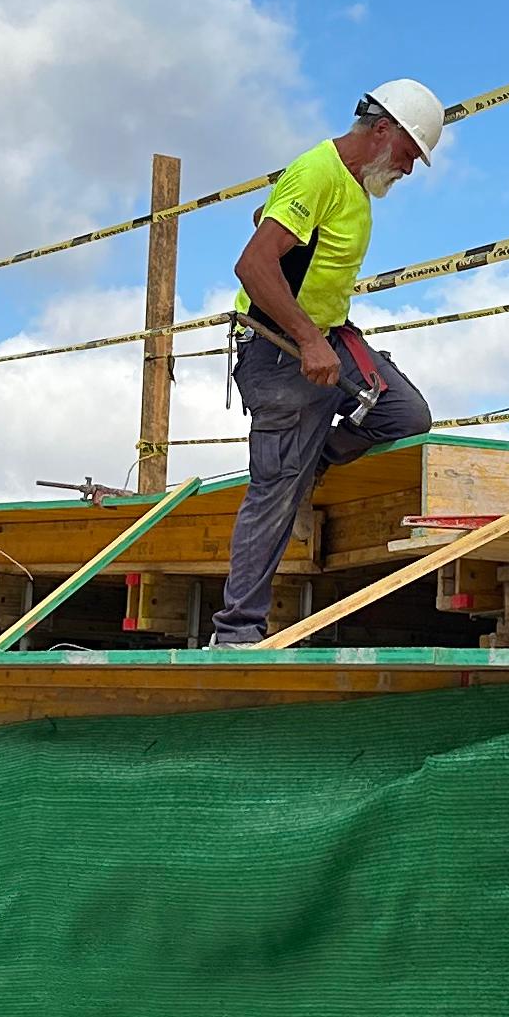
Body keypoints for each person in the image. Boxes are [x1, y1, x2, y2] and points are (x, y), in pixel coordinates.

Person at [211, 81, 444, 645]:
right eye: (410, 154)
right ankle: (235, 632)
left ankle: (316, 454)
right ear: (384, 130)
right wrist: (309, 341)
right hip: (278, 350)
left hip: (329, 338)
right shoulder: (319, 172)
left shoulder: (352, 184)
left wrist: (322, 339)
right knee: (277, 487)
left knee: (405, 416)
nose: (409, 170)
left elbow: (291, 240)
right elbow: (253, 266)